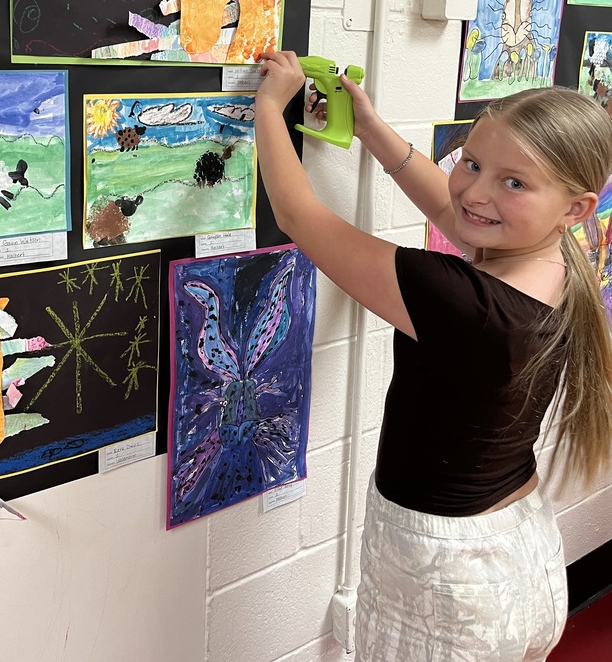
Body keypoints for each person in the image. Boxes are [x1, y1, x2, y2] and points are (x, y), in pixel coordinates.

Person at [255, 50, 612, 662]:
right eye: (470, 162)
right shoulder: (555, 262)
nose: (475, 190)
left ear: (575, 208)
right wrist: (368, 127)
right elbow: (461, 213)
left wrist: (267, 106)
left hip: (447, 579)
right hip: (517, 547)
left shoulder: (463, 303)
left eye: (513, 182)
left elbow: (298, 214)